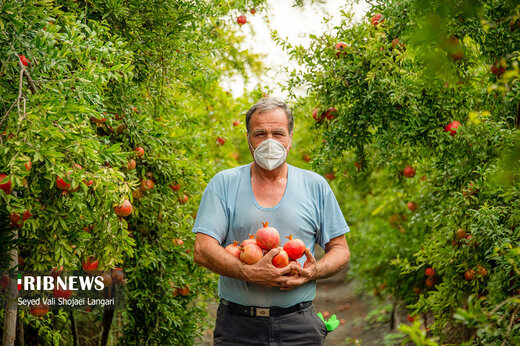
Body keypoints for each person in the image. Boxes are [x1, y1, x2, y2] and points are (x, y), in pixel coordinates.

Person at [192, 98, 350, 346]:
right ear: (248, 139)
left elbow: (340, 249)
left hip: (298, 324)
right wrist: (249, 272)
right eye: (260, 134)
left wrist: (313, 271)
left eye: (278, 133)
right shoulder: (224, 184)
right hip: (238, 326)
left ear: (290, 138)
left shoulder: (315, 186)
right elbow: (202, 249)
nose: (269, 141)